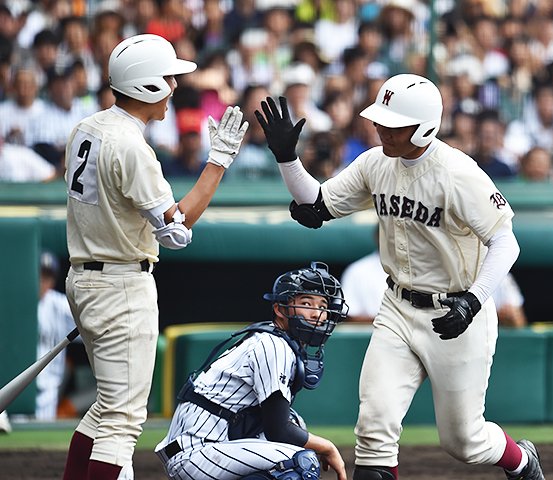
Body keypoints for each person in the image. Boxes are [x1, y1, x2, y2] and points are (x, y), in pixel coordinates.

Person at [255, 73, 545, 480]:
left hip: (457, 313)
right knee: (373, 431)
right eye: (380, 121)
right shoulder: (376, 162)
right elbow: (317, 205)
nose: (381, 128)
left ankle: (521, 460)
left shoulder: (459, 173)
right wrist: (287, 158)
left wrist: (474, 299)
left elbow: (506, 241)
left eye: (393, 123)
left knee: (464, 441)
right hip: (397, 308)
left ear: (424, 126)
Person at [62, 34, 248, 480]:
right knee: (123, 421)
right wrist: (217, 163)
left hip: (85, 277)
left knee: (107, 407)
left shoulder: (85, 128)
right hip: (120, 283)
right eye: (167, 78)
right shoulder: (131, 146)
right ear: (145, 85)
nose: (173, 87)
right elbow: (177, 232)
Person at [155, 262, 348, 480]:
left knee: (296, 425)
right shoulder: (273, 345)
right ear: (280, 309)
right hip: (196, 453)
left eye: (323, 307)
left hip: (212, 448)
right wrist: (328, 447)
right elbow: (279, 430)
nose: (318, 314)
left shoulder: (278, 341)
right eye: (306, 303)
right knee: (299, 463)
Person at [36, 251, 77, 420]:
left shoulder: (59, 304)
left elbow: (92, 325)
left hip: (48, 388)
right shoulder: (15, 302)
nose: (43, 282)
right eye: (40, 275)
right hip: (19, 385)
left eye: (48, 277)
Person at [340, 226, 387, 324]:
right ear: (377, 236)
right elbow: (349, 317)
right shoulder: (358, 270)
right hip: (374, 335)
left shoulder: (423, 269)